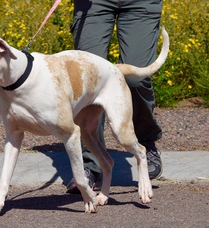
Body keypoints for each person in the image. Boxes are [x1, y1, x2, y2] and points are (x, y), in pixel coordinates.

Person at [67, 0, 163, 193]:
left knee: (136, 80)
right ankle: (90, 163)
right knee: (88, 80)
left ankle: (144, 139)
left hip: (140, 3)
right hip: (93, 4)